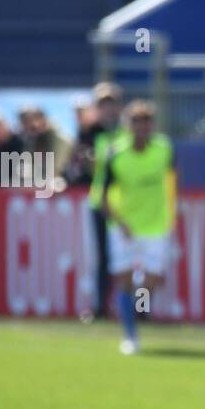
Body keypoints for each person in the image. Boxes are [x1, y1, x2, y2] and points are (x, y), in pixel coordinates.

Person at [100, 102, 177, 354]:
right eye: (136, 122)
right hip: (125, 227)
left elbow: (173, 180)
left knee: (151, 281)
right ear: (128, 126)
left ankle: (137, 308)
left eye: (146, 123)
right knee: (122, 280)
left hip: (156, 226)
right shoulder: (116, 154)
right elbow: (102, 196)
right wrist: (119, 222)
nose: (141, 128)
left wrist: (172, 211)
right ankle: (130, 335)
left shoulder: (164, 150)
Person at [87, 83, 125, 319]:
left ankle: (138, 309)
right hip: (100, 203)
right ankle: (101, 307)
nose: (108, 111)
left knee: (129, 258)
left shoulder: (126, 133)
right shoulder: (91, 134)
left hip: (124, 205)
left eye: (111, 105)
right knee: (103, 257)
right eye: (103, 106)